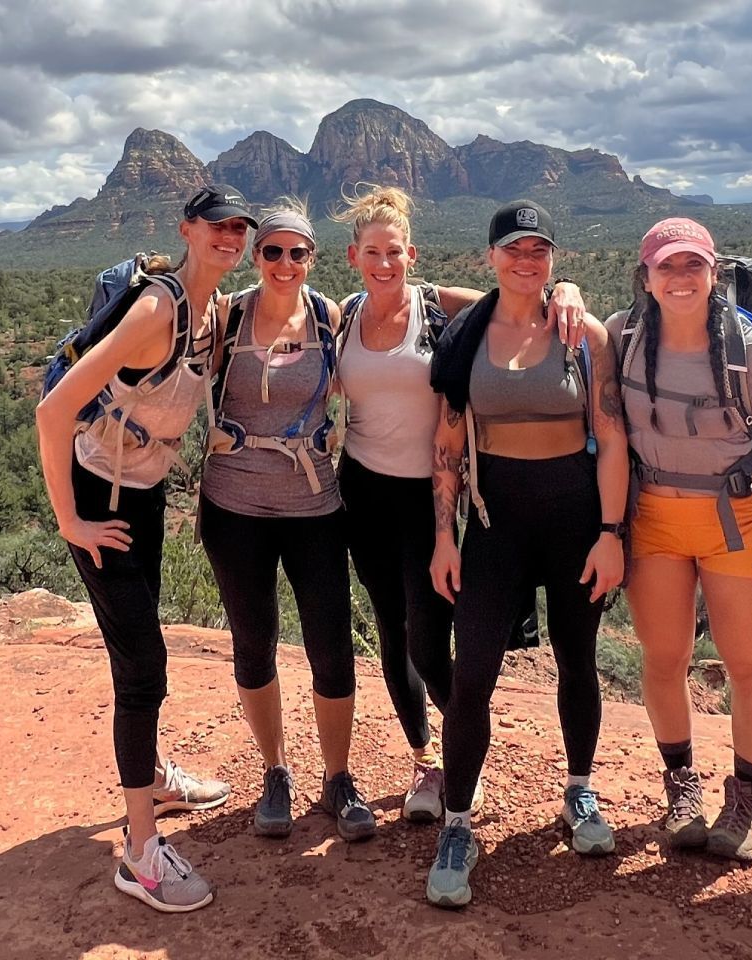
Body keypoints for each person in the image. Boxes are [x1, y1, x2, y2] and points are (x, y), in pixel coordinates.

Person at [330, 185, 584, 824]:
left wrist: (566, 291)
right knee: (393, 633)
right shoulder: (342, 316)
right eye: (372, 253)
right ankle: (428, 762)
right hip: (362, 489)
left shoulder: (443, 306)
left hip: (428, 495)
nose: (384, 264)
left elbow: (518, 306)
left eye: (394, 252)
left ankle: (465, 733)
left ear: (411, 253)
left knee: (425, 639)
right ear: (354, 256)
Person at [34, 185, 254, 912]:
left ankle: (153, 779)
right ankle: (138, 852)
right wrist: (71, 521)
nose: (230, 237)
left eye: (239, 229)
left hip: (145, 490)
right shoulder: (157, 309)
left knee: (139, 644)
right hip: (102, 495)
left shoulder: (214, 311)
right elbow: (54, 407)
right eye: (217, 227)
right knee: (143, 666)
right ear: (188, 230)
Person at [422, 200, 628, 908]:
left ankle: (579, 792)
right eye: (513, 249)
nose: (526, 260)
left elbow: (611, 437)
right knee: (472, 670)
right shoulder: (466, 336)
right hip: (493, 520)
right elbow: (448, 443)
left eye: (539, 250)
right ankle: (457, 823)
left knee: (577, 657)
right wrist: (444, 537)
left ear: (552, 259)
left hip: (574, 517)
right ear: (491, 258)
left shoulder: (583, 333)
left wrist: (611, 533)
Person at [609, 218, 752, 863]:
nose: (681, 277)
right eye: (667, 267)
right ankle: (681, 787)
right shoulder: (621, 338)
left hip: (735, 520)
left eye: (693, 265)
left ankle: (746, 794)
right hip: (653, 519)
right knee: (664, 659)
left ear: (714, 272)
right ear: (647, 277)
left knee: (749, 666)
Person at [198, 200, 372, 842]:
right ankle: (274, 769)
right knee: (254, 641)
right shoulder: (226, 317)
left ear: (312, 258)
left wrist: (559, 289)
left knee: (331, 646)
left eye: (297, 252)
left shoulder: (332, 318)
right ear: (256, 256)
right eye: (272, 250)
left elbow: (417, 301)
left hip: (314, 505)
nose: (284, 263)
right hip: (233, 505)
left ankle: (337, 776)